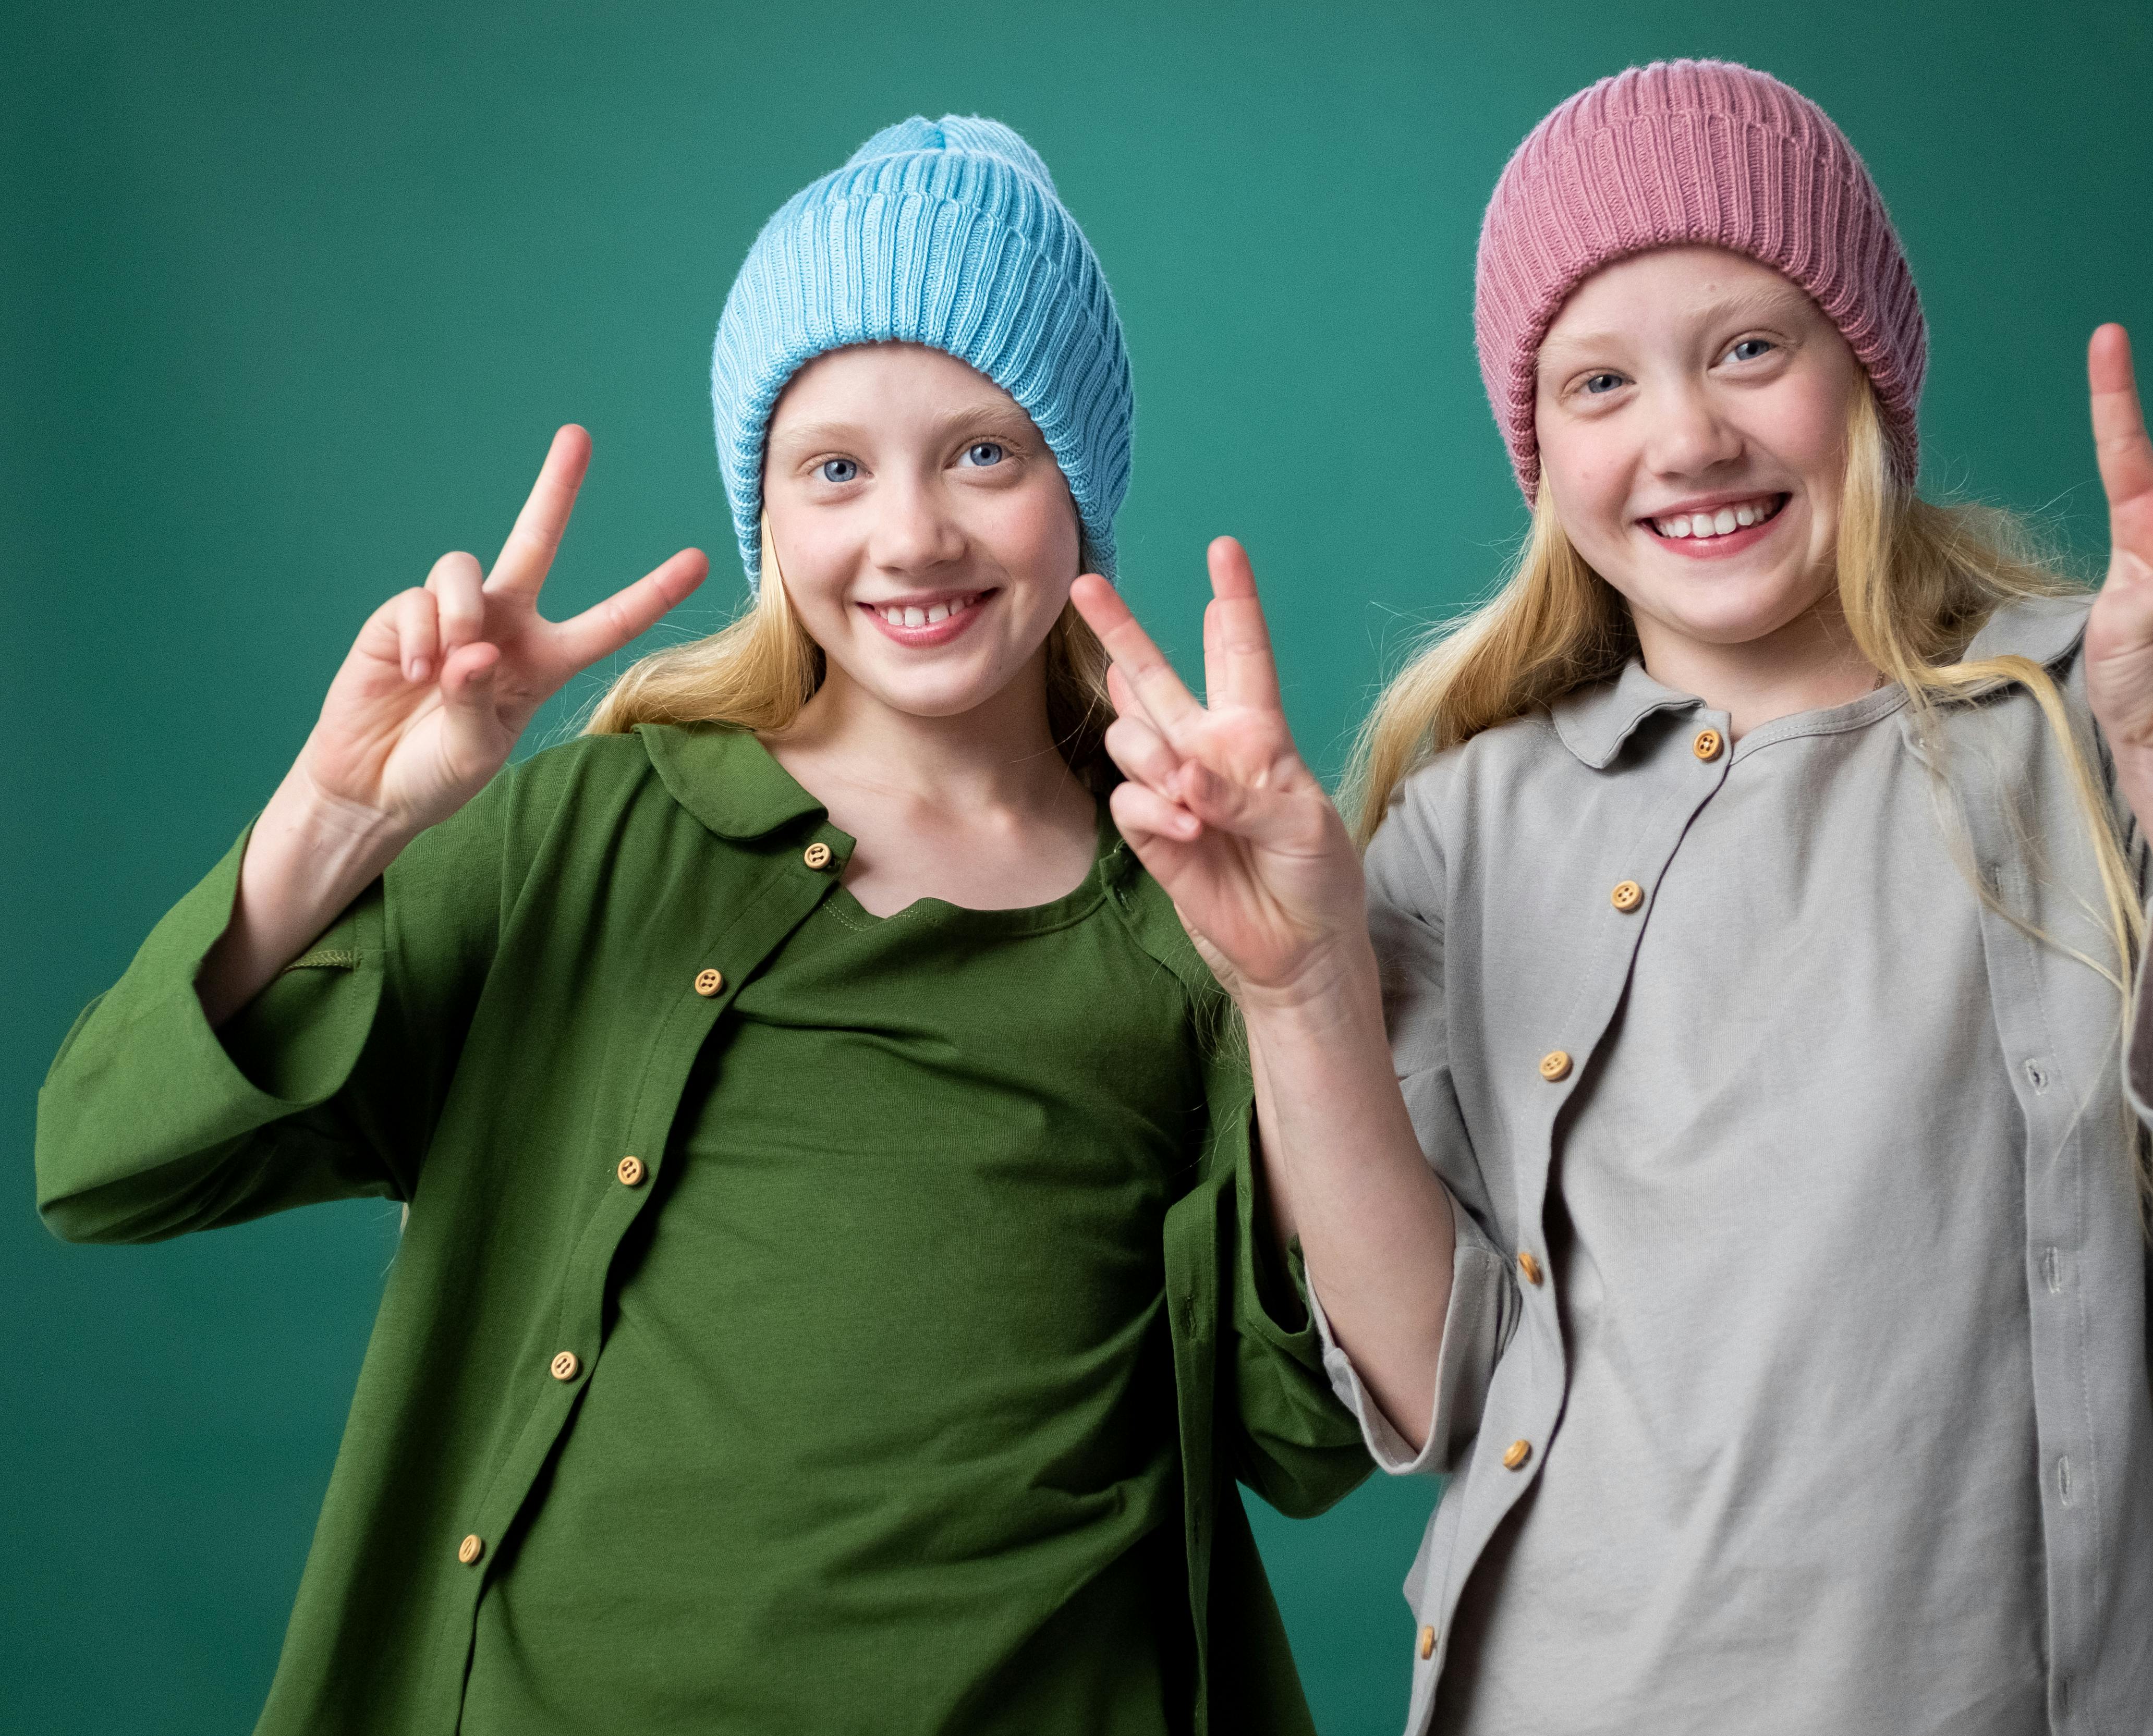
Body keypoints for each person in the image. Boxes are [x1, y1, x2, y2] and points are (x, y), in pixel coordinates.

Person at [1071, 58, 2153, 1736]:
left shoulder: (2083, 713)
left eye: (1748, 348)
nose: (1687, 435)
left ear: (1869, 374)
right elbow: (1437, 1387)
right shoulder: (1463, 821)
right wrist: (1295, 998)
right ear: (1539, 449)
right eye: (1599, 383)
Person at [36, 114, 1366, 1736]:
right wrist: (346, 812)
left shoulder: (1188, 920)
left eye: (984, 452)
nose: (912, 534)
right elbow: (102, 1160)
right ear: (769, 518)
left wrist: (1307, 997)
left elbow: (1314, 1435)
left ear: (1079, 490)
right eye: (834, 468)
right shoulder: (590, 836)